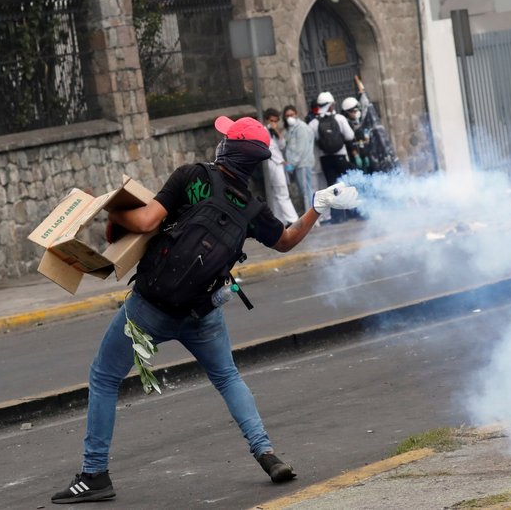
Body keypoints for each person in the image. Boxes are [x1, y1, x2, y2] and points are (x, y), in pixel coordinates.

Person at [50, 115, 359, 504]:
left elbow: (145, 220)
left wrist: (106, 208)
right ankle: (266, 453)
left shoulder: (192, 176)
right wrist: (316, 206)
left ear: (227, 149)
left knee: (104, 377)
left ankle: (94, 475)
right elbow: (286, 240)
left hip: (150, 306)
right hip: (203, 311)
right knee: (228, 377)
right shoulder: (252, 208)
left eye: (225, 136)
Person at [310, 91, 356, 224]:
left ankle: (337, 217)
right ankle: (352, 212)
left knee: (332, 188)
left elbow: (313, 141)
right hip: (340, 156)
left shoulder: (314, 123)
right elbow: (349, 136)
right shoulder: (340, 119)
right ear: (331, 105)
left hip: (325, 159)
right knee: (347, 184)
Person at [263, 108, 298, 225]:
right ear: (267, 119)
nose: (274, 123)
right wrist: (282, 161)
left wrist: (277, 131)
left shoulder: (273, 131)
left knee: (277, 194)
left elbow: (282, 145)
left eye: (276, 121)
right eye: (272, 120)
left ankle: (280, 220)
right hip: (273, 164)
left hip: (278, 164)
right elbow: (270, 149)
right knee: (282, 192)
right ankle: (293, 219)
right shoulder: (263, 131)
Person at [281, 104, 315, 215]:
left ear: (296, 114)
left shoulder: (301, 128)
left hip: (303, 164)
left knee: (306, 191)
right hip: (298, 165)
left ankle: (311, 217)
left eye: (292, 114)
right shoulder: (291, 129)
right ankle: (310, 215)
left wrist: (292, 163)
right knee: (304, 191)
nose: (290, 117)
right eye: (287, 115)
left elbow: (300, 149)